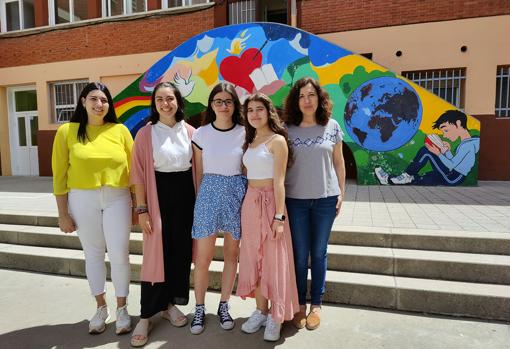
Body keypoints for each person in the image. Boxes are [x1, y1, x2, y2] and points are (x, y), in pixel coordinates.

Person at [52, 82, 133, 335]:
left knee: (119, 253)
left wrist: (139, 205)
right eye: (94, 99)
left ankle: (122, 308)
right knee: (94, 254)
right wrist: (62, 213)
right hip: (81, 198)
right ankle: (101, 307)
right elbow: (59, 175)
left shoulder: (120, 131)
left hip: (118, 197)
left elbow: (133, 172)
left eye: (105, 100)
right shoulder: (67, 131)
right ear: (83, 101)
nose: (100, 105)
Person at [129, 82, 197, 347]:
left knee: (179, 254)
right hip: (158, 197)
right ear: (154, 103)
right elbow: (137, 175)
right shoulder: (145, 135)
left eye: (170, 98)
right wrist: (142, 209)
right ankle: (146, 315)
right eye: (159, 99)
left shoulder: (191, 132)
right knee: (155, 256)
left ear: (178, 101)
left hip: (185, 197)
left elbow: (198, 169)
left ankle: (169, 305)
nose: (165, 103)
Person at [283, 77, 346, 330]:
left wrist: (341, 194)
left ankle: (316, 304)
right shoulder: (286, 129)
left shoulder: (332, 126)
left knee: (319, 253)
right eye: (301, 96)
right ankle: (298, 304)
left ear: (319, 99)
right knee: (299, 255)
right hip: (295, 201)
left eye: (311, 95)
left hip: (325, 200)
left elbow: (339, 163)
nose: (307, 100)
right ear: (295, 101)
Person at [236, 93, 299, 342]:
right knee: (254, 258)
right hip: (250, 203)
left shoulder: (277, 141)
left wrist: (279, 216)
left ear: (268, 111)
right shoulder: (249, 141)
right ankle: (261, 311)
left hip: (272, 202)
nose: (254, 114)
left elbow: (280, 182)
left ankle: (276, 315)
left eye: (259, 109)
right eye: (250, 110)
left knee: (274, 259)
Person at [189, 82, 247, 335]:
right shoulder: (200, 134)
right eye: (218, 101)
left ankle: (224, 304)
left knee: (232, 256)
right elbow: (198, 173)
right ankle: (199, 307)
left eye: (228, 101)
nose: (223, 106)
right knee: (202, 259)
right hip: (207, 195)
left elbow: (246, 170)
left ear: (235, 105)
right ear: (211, 105)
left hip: (237, 194)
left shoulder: (246, 133)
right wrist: (199, 200)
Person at [375, 110, 480, 186]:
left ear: (458, 123)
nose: (444, 135)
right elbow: (455, 162)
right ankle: (387, 180)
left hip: (452, 177)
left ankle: (407, 174)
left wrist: (438, 153)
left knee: (426, 151)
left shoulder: (468, 146)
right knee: (419, 179)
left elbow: (452, 165)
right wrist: (446, 152)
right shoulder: (466, 144)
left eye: (446, 130)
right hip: (451, 175)